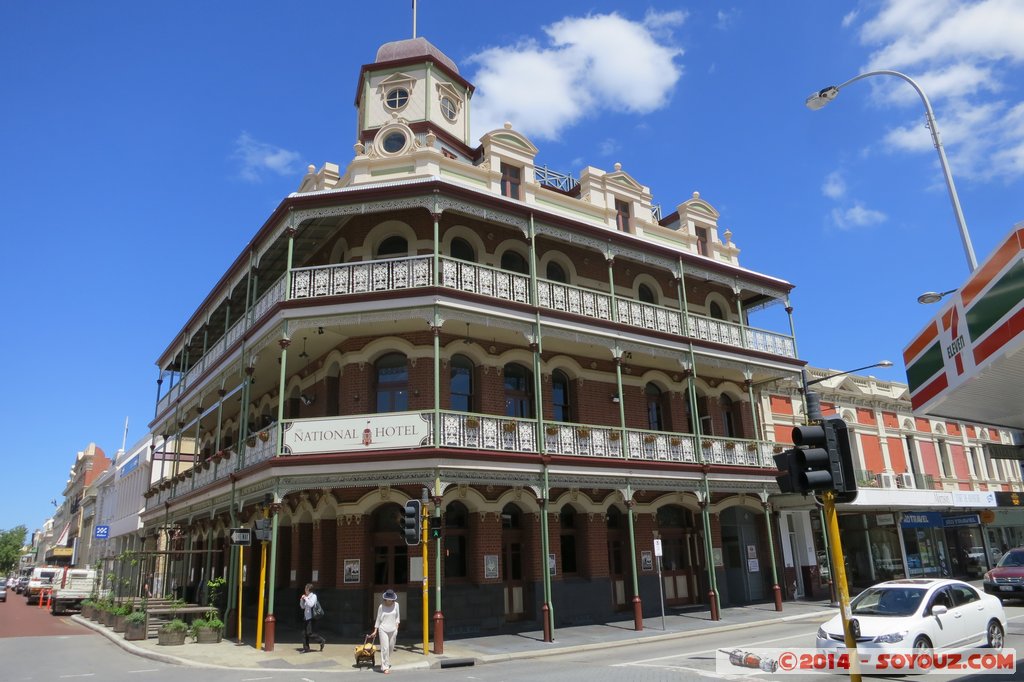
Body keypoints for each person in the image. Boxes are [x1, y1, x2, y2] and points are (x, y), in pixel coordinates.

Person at [370, 589, 400, 673]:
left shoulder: (396, 605)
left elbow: (397, 617)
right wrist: (375, 630)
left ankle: (385, 660)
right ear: (385, 598)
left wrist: (397, 627)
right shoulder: (381, 606)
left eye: (391, 599)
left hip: (393, 629)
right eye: (388, 599)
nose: (389, 600)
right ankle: (385, 666)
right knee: (385, 648)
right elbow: (378, 619)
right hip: (383, 629)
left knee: (390, 648)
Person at [299, 583, 326, 652]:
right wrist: (302, 600)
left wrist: (305, 598)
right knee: (304, 634)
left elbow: (311, 604)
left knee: (309, 633)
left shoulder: (314, 596)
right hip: (306, 617)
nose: (305, 590)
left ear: (309, 589)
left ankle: (321, 640)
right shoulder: (306, 596)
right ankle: (306, 648)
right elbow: (303, 607)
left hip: (311, 618)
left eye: (306, 589)